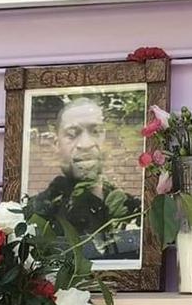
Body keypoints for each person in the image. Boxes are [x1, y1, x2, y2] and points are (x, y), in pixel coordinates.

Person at [26, 96, 141, 259]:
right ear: (57, 144)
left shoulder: (134, 211)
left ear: (105, 138)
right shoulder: (37, 214)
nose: (86, 144)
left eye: (95, 132)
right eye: (72, 134)